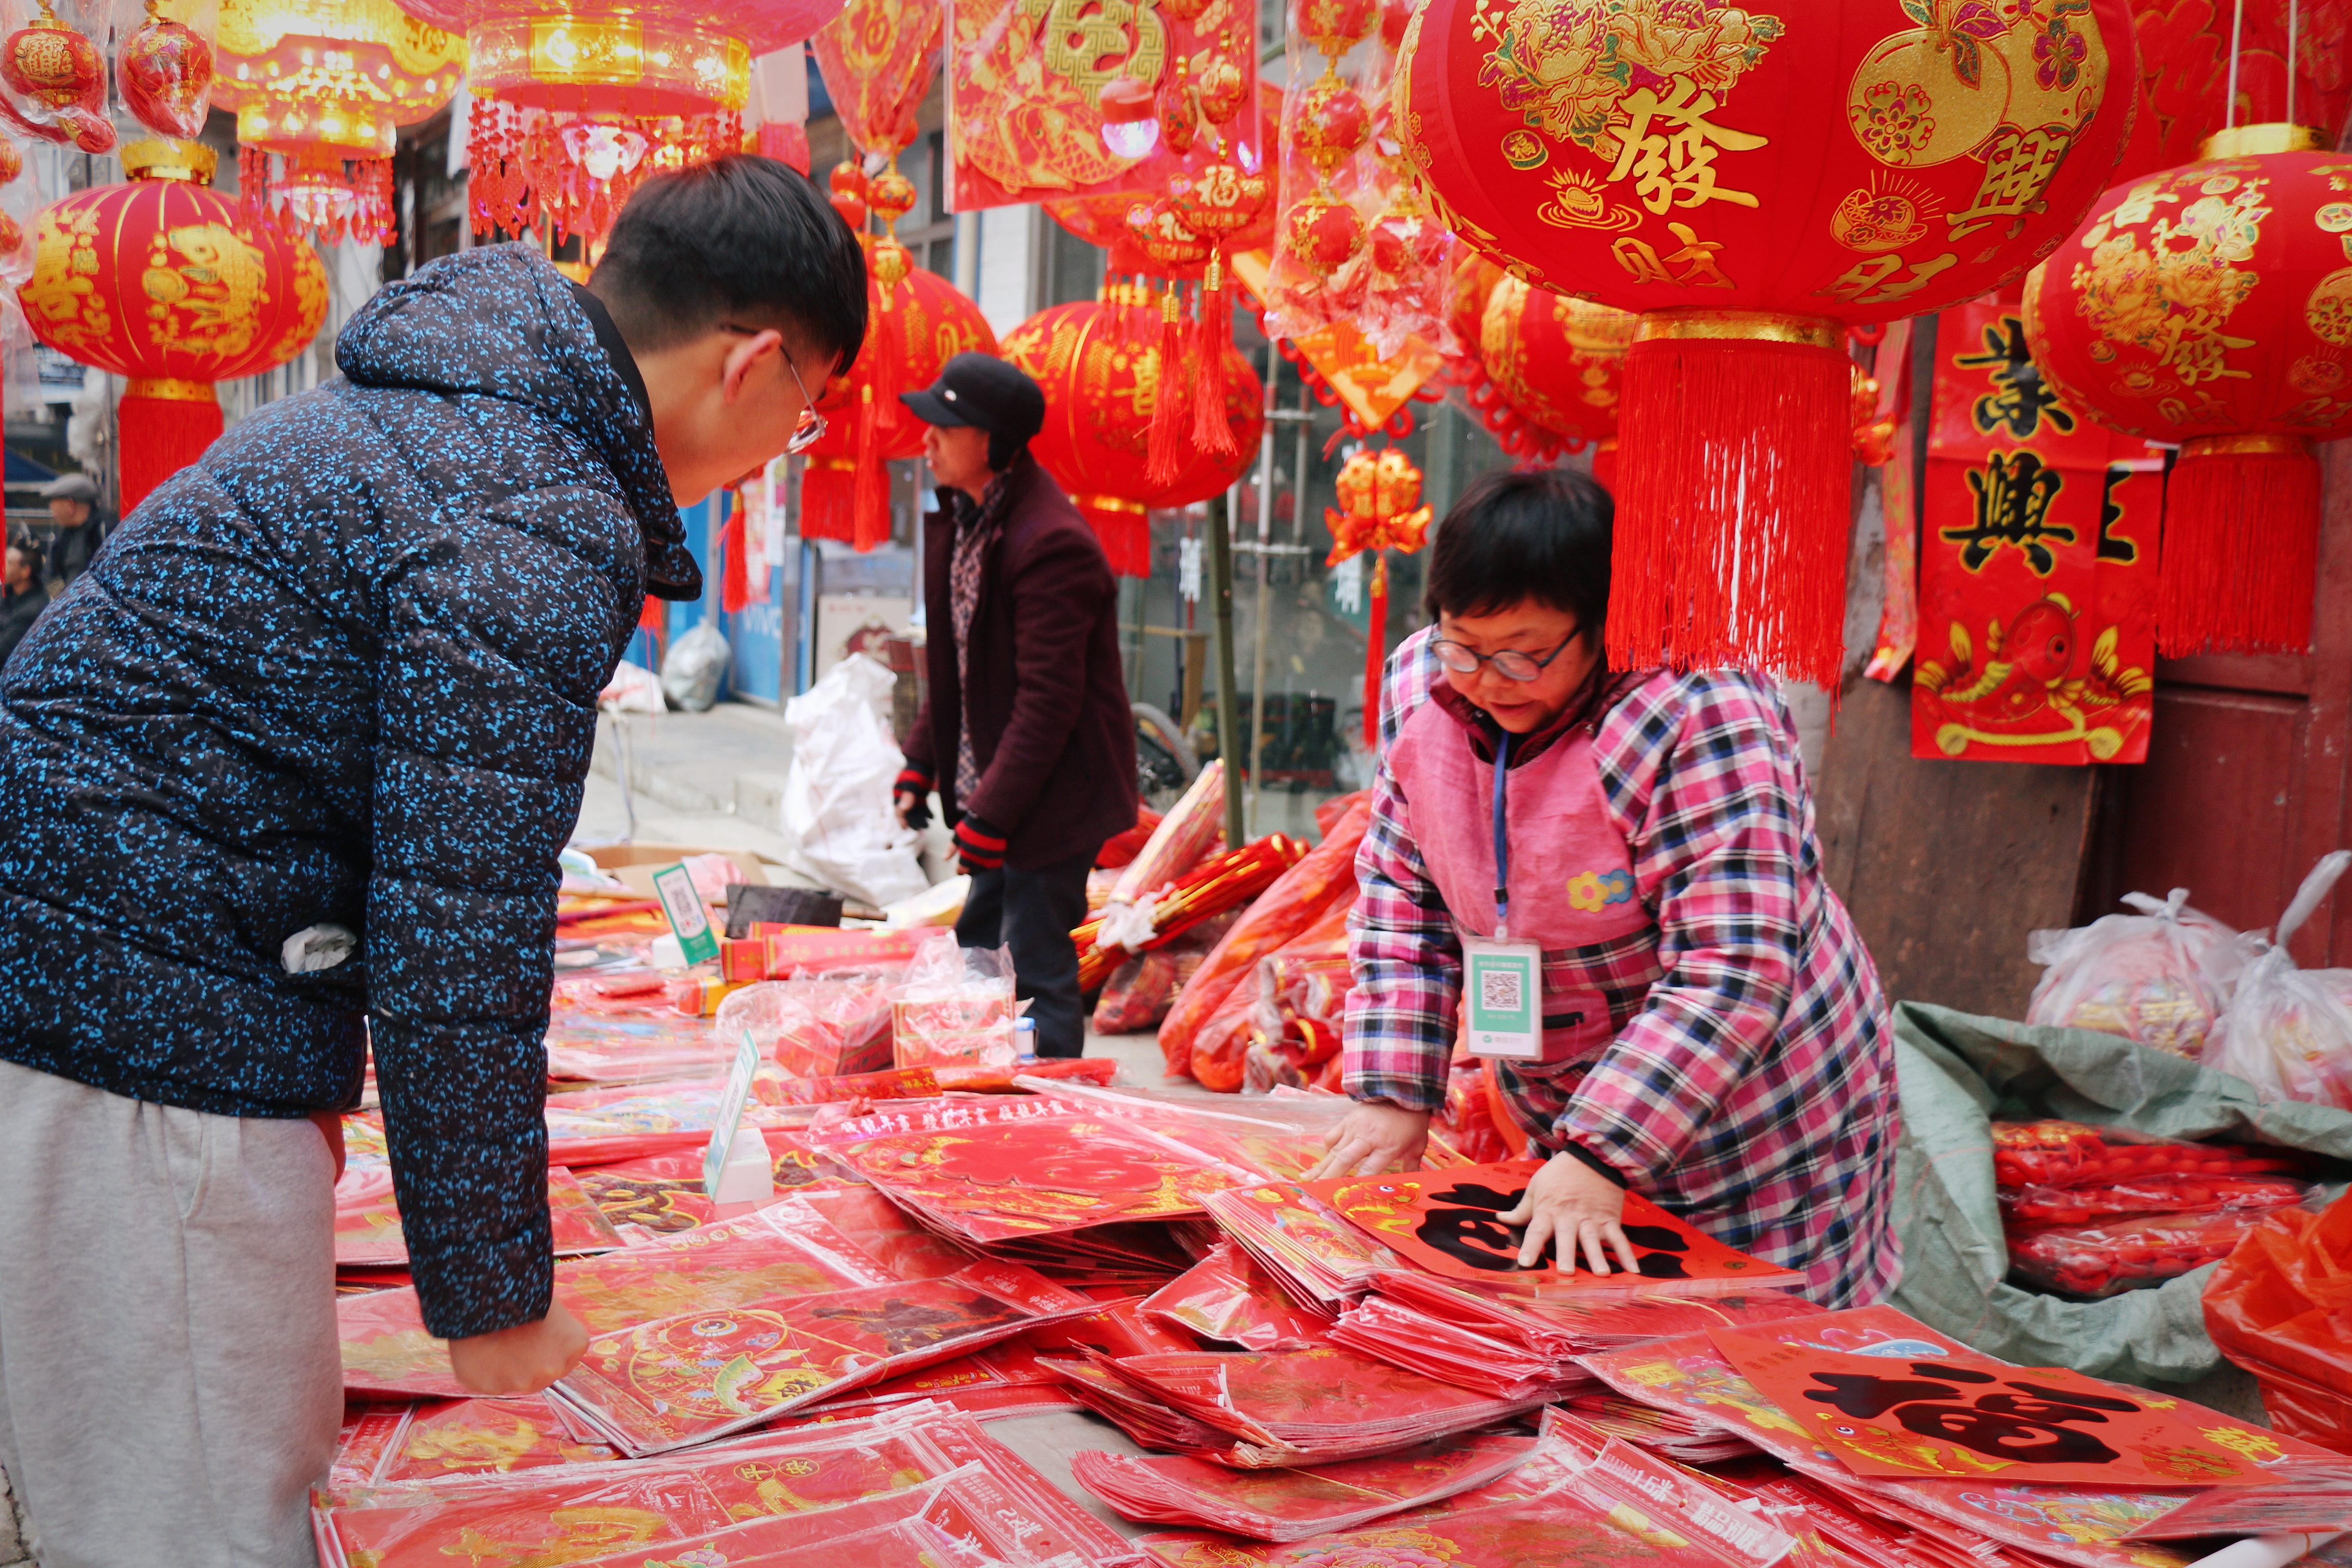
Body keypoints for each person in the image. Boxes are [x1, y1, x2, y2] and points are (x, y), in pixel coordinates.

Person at [0, 155, 866, 1568]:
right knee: (204, 1508)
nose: (792, 442)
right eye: (810, 411)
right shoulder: (537, 506)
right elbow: (457, 928)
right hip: (139, 1018)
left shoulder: (453, 424)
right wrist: (495, 1295)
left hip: (117, 970)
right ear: (754, 364)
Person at [1307, 469, 1899, 1309]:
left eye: (1523, 651)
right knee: (1584, 1341)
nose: (1484, 678)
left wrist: (1600, 1151)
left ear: (1605, 626)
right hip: (1569, 1084)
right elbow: (1403, 900)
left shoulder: (1699, 709)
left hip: (1761, 1108)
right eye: (1461, 643)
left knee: (1745, 1364)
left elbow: (1729, 966)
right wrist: (1394, 1091)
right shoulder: (1423, 685)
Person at [891, 352, 1138, 1059]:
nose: (927, 440)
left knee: (1035, 964)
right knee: (979, 950)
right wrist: (920, 761)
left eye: (945, 426)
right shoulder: (972, 518)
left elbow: (1049, 702)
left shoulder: (1052, 542)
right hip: (1000, 790)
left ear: (992, 442)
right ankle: (986, 1095)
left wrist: (992, 815)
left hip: (1051, 797)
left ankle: (1052, 1116)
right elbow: (958, 663)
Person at [34, 470, 112, 595]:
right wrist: (62, 602)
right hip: (73, 607)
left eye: (54, 500)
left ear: (71, 504)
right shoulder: (63, 534)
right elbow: (51, 575)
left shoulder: (105, 528)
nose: (51, 506)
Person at [0, 537, 43, 667]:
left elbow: (3, 651)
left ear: (25, 571)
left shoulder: (32, 610)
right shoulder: (7, 594)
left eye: (8, 563)